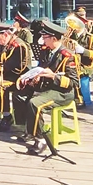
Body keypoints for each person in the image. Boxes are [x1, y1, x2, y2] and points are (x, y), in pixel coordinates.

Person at [16, 20, 78, 155]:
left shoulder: (68, 56)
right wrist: (35, 76)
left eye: (44, 38)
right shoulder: (46, 50)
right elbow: (42, 67)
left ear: (54, 38)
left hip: (62, 92)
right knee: (20, 93)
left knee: (35, 103)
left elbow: (73, 82)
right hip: (46, 87)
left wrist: (53, 76)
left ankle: (41, 139)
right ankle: (29, 130)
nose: (42, 40)